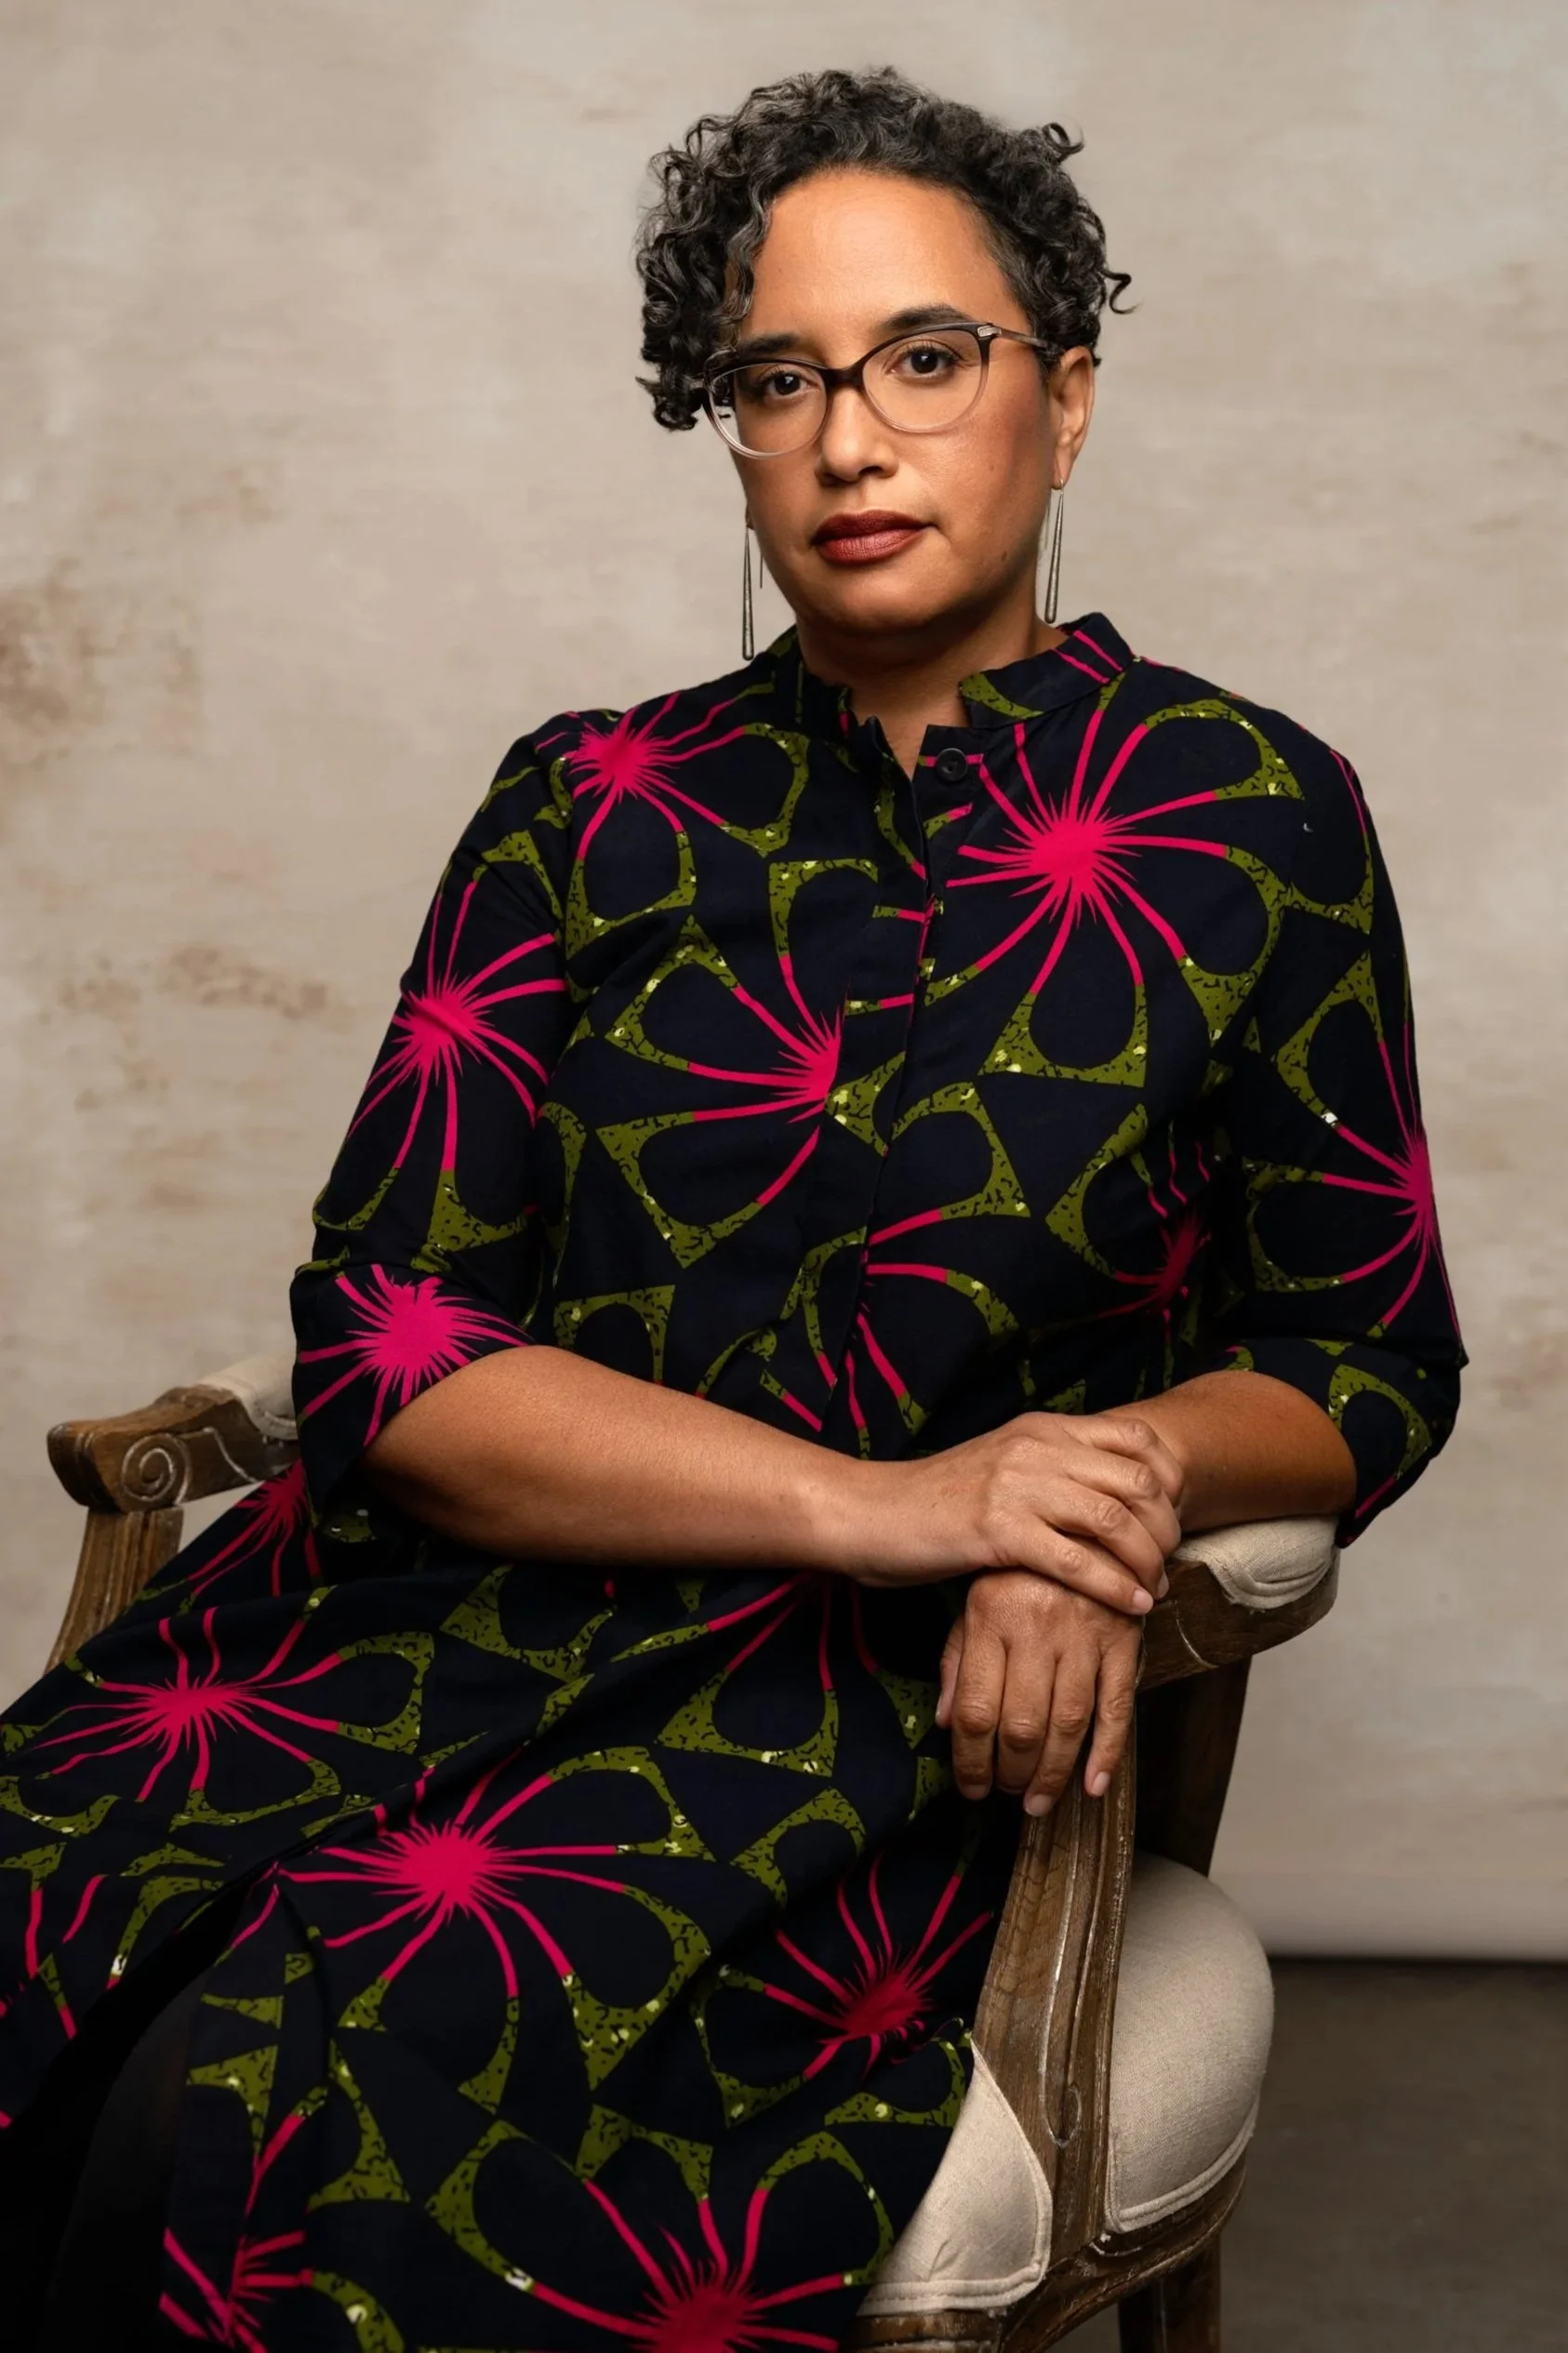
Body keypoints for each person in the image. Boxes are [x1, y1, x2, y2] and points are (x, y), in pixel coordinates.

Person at [0, 64, 1463, 2353]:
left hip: (847, 1734)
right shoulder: (583, 802)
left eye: (925, 358)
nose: (849, 436)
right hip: (405, 1629)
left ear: (1063, 400)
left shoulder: (1250, 812)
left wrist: (1095, 1486)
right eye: (778, 379)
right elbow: (389, 1342)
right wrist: (905, 1500)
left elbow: (1368, 1354)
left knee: (297, 2083)